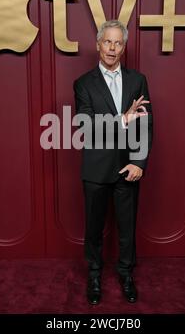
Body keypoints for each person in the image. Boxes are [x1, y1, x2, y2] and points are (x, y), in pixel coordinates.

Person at [73, 20, 153, 304]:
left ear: (124, 47)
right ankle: (94, 275)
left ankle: (126, 273)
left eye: (118, 43)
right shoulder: (83, 84)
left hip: (128, 167)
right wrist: (122, 120)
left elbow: (145, 124)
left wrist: (139, 162)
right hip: (96, 169)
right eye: (108, 41)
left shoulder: (137, 80)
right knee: (94, 229)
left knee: (127, 228)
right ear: (98, 45)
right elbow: (85, 125)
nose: (112, 48)